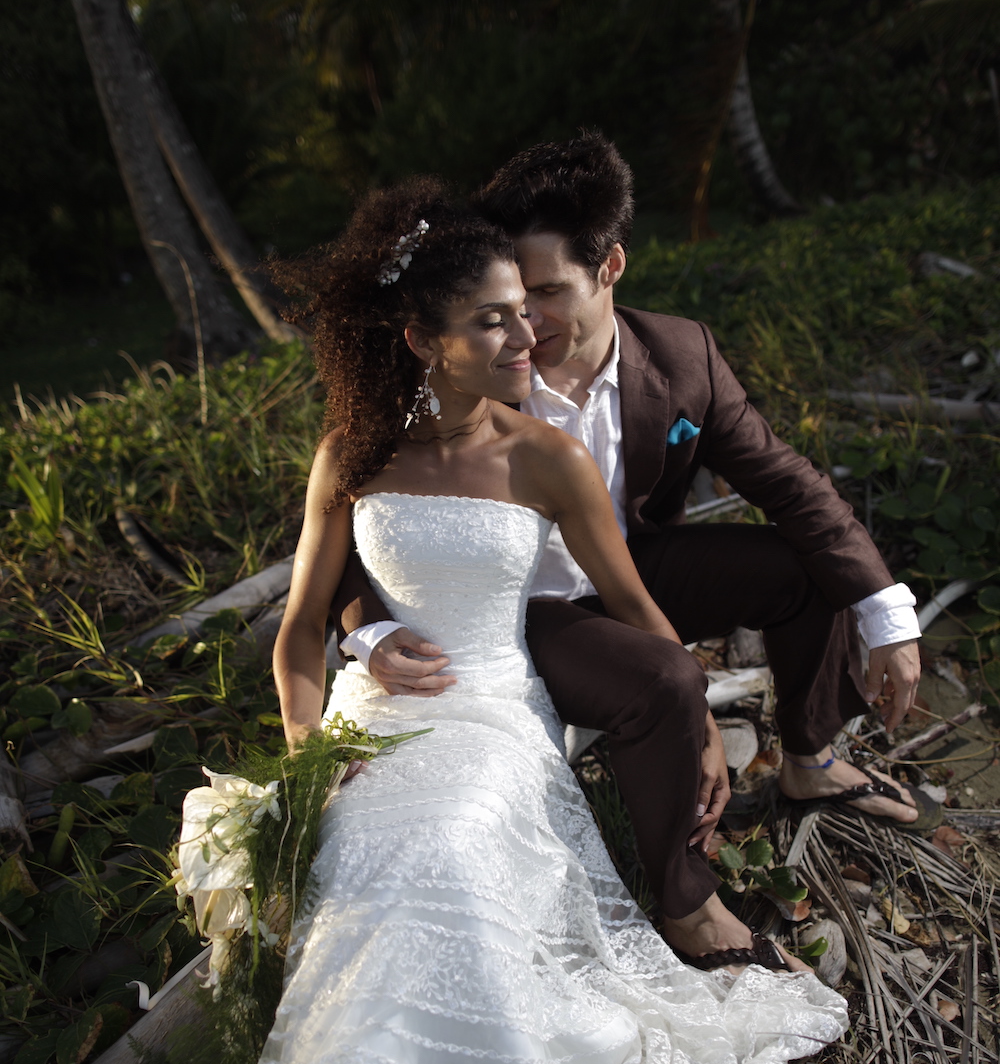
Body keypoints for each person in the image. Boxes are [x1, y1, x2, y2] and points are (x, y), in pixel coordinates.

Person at [197, 180, 849, 1064]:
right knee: (376, 869)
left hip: (498, 706)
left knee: (450, 854)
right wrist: (308, 771)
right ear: (421, 340)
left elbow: (642, 611)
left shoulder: (544, 455)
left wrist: (697, 720)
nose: (522, 334)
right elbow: (298, 635)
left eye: (524, 312)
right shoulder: (354, 451)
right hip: (375, 721)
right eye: (493, 319)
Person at [332, 134, 924, 972]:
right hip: (513, 613)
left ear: (610, 266)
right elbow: (370, 519)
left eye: (546, 292)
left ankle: (810, 757)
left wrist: (886, 612)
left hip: (627, 572)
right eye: (510, 298)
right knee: (662, 682)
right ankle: (683, 898)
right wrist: (365, 630)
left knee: (801, 566)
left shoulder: (683, 358)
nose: (525, 324)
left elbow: (790, 483)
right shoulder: (467, 367)